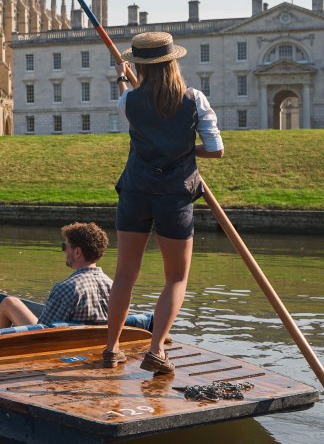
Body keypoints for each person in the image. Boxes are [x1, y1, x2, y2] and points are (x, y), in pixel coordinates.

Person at [104, 31, 224, 374]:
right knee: (175, 278)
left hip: (136, 191)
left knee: (124, 275)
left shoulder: (128, 101)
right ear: (173, 63)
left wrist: (121, 79)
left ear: (139, 66)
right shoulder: (194, 99)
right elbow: (216, 149)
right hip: (175, 194)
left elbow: (130, 101)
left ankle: (111, 349)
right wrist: (187, 151)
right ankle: (156, 350)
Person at [36, 222, 153, 331]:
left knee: (16, 303)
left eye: (64, 246)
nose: (64, 251)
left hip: (62, 342)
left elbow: (41, 330)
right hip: (99, 340)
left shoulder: (66, 288)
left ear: (77, 252)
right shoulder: (115, 287)